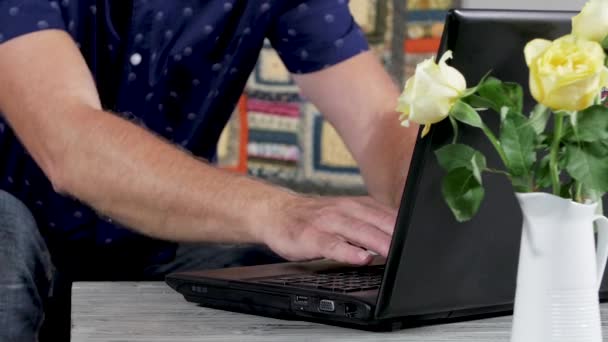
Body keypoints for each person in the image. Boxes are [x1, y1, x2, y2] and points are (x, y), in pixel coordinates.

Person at [0, 1, 417, 340]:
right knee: (7, 236)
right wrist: (279, 211)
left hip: (157, 239)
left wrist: (430, 202)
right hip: (20, 218)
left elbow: (377, 119)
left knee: (302, 267)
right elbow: (69, 141)